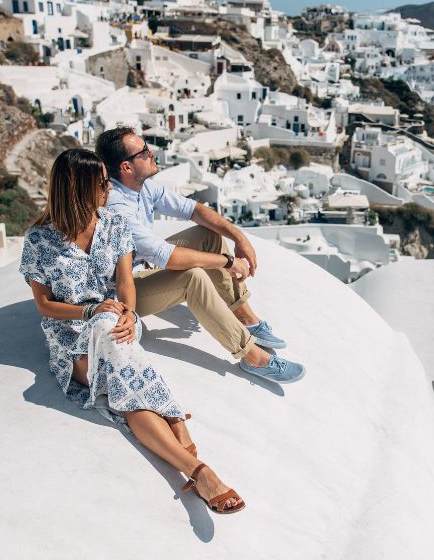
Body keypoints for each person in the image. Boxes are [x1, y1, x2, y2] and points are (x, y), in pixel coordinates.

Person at [19, 149, 244, 514]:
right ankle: (189, 449)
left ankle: (198, 471)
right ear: (77, 188)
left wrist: (129, 312)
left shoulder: (114, 224)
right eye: (101, 183)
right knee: (126, 390)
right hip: (71, 334)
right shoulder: (39, 240)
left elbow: (126, 283)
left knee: (119, 372)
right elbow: (44, 304)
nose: (109, 188)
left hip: (118, 322)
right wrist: (91, 310)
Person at [94, 127, 305, 384]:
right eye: (144, 152)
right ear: (126, 167)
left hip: (139, 267)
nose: (151, 153)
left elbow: (192, 210)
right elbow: (166, 256)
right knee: (193, 278)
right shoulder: (117, 206)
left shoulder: (142, 187)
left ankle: (245, 317)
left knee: (208, 236)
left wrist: (239, 237)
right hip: (120, 292)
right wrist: (227, 262)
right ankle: (253, 358)